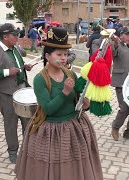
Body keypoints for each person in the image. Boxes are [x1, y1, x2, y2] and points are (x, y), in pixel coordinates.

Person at [15, 27, 103, 180]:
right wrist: (64, 92)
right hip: (50, 132)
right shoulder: (40, 79)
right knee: (53, 166)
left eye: (66, 54)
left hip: (74, 128)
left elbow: (77, 101)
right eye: (59, 54)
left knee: (74, 165)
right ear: (47, 56)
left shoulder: (70, 74)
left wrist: (85, 104)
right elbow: (48, 109)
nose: (63, 58)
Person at [0, 23, 32, 164]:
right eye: (14, 35)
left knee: (27, 122)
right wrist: (6, 72)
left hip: (23, 92)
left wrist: (25, 68)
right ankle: (12, 152)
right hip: (8, 94)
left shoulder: (15, 49)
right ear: (5, 36)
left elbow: (18, 66)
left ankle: (27, 150)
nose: (17, 37)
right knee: (10, 124)